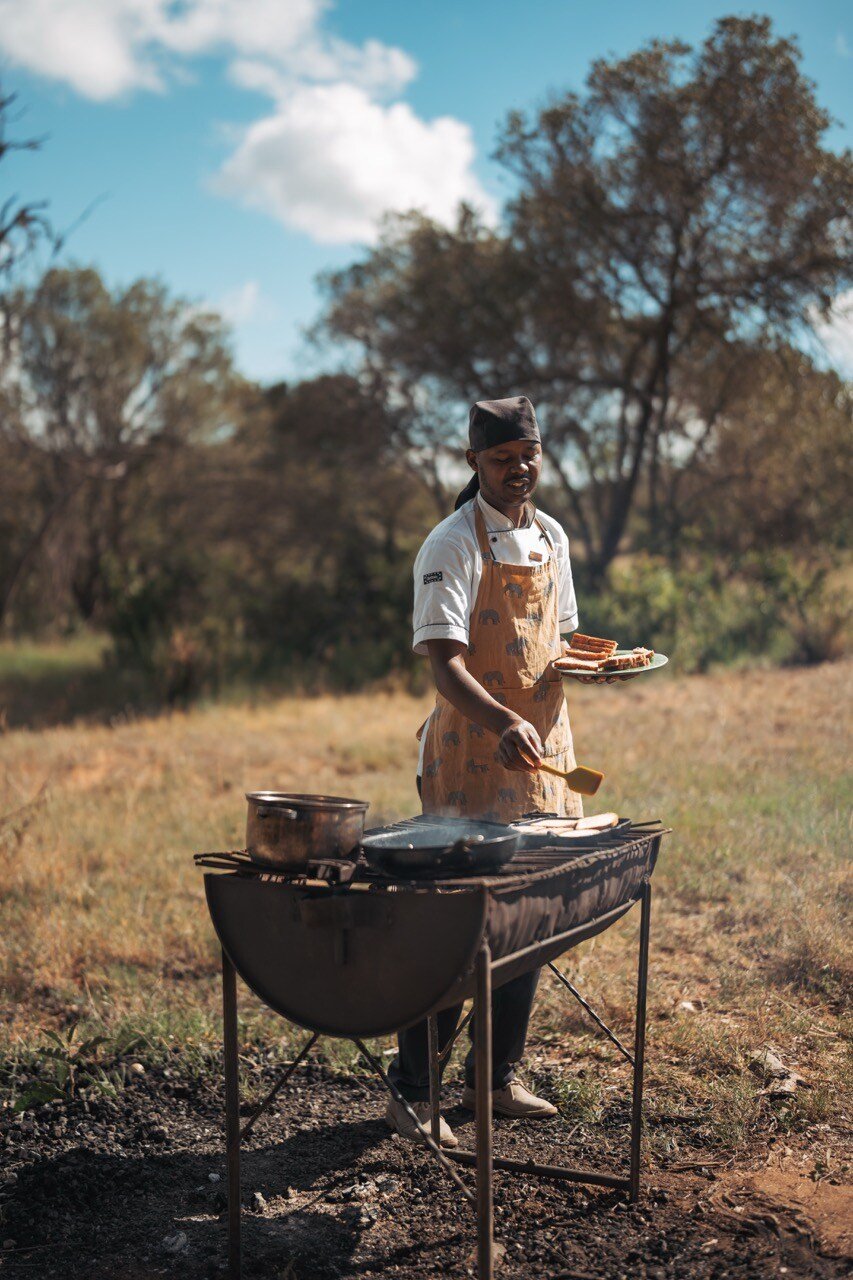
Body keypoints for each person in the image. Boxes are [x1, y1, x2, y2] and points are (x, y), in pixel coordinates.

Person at [386, 395, 583, 1146]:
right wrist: (501, 720)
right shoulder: (450, 543)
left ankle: (492, 1079)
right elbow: (444, 665)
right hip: (470, 758)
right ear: (473, 463)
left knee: (525, 918)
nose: (519, 470)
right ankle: (410, 1094)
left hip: (541, 758)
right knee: (453, 928)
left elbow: (558, 642)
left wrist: (600, 666)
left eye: (528, 454)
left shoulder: (553, 537)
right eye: (502, 459)